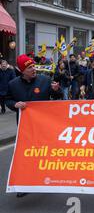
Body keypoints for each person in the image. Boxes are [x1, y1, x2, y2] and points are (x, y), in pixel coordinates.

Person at [5, 55, 62, 198]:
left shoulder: (45, 80)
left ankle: (46, 179)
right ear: (22, 70)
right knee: (25, 155)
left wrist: (55, 90)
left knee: (44, 153)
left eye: (33, 66)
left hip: (44, 127)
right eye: (29, 67)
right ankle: (23, 184)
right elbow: (7, 100)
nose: (33, 69)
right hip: (25, 128)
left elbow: (58, 98)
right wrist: (14, 104)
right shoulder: (13, 84)